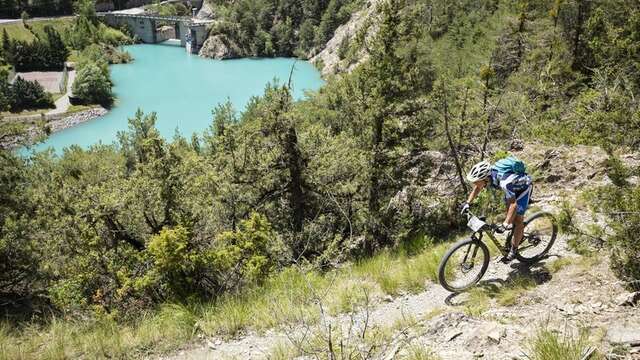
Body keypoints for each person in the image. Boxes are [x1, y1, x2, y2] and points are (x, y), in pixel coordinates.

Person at [460, 158, 533, 262]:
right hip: (512, 188)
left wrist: (505, 224)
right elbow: (478, 188)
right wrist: (467, 203)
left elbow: (514, 204)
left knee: (517, 221)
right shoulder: (489, 177)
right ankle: (515, 234)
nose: (475, 184)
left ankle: (514, 250)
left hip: (523, 188)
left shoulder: (504, 182)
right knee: (509, 215)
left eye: (476, 182)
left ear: (485, 178)